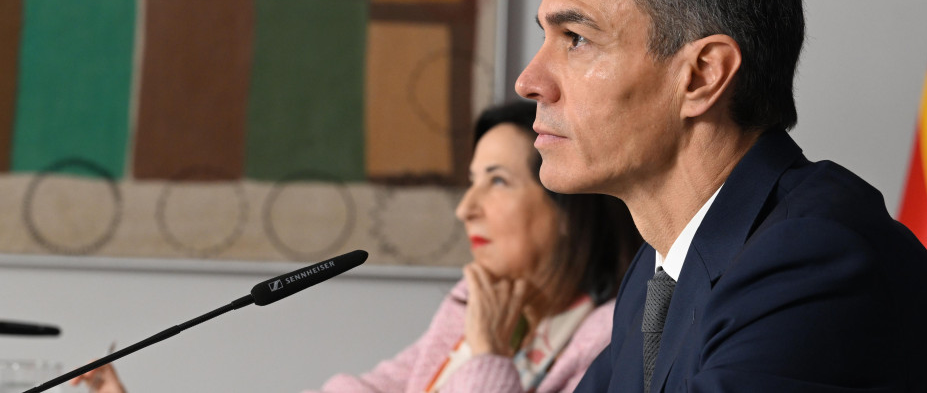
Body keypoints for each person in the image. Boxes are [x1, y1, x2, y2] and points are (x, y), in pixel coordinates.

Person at [515, 0, 927, 392]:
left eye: (576, 38)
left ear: (702, 75)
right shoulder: (657, 273)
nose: (529, 81)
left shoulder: (811, 259)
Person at [73, 100, 643, 393]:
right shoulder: (470, 303)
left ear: (570, 207)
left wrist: (488, 356)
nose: (466, 208)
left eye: (496, 181)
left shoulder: (610, 339)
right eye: (470, 183)